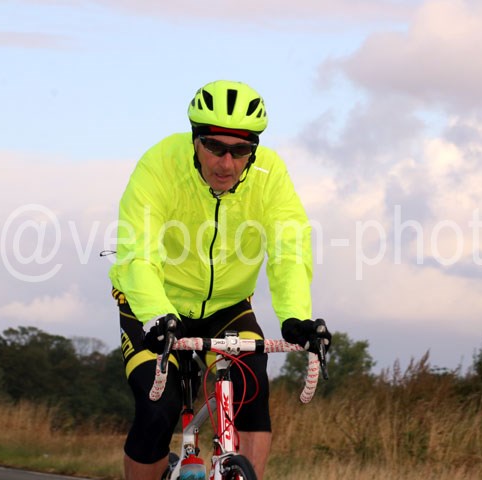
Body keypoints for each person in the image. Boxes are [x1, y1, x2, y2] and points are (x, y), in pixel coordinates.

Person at [108, 79, 331, 480]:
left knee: (253, 389)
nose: (226, 164)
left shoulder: (269, 175)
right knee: (159, 410)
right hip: (154, 305)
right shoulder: (159, 166)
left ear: (254, 149)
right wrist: (156, 313)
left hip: (227, 306)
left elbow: (290, 249)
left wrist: (296, 316)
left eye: (240, 151)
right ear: (195, 138)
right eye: (214, 147)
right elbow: (138, 252)